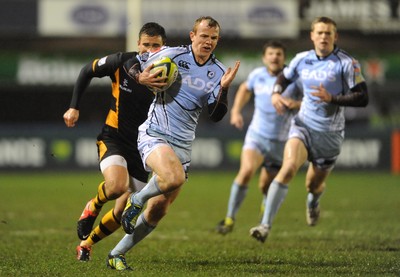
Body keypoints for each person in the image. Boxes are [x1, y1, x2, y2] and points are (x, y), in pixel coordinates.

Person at [106, 16, 240, 270]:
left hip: (183, 143)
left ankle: (116, 254)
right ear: (192, 36)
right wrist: (140, 78)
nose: (208, 41)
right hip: (155, 132)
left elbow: (215, 115)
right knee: (174, 177)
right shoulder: (172, 55)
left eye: (213, 38)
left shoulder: (220, 72)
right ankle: (137, 200)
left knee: (160, 208)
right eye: (203, 36)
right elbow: (132, 62)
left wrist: (223, 89)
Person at [249, 16, 369, 243]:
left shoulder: (346, 63)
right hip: (303, 126)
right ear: (312, 35)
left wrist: (332, 98)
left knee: (313, 185)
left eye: (328, 33)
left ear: (335, 36)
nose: (324, 37)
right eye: (320, 32)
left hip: (329, 135)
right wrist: (276, 92)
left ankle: (313, 201)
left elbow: (363, 97)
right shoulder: (302, 59)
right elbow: (283, 78)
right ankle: (265, 225)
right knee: (288, 168)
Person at [63, 22, 168, 266]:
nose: (150, 50)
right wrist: (73, 107)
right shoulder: (121, 61)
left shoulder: (171, 73)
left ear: (164, 47)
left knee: (122, 212)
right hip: (114, 138)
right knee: (117, 186)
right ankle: (94, 205)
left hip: (145, 148)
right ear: (138, 44)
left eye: (156, 46)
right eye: (146, 45)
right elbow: (86, 71)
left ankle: (86, 244)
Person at [215, 41, 302, 235]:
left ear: (283, 57)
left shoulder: (293, 79)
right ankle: (229, 219)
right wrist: (236, 111)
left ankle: (266, 205)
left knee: (266, 185)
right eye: (270, 54)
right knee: (246, 171)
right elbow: (245, 89)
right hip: (257, 136)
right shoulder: (257, 75)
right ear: (264, 58)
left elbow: (310, 103)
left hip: (282, 141)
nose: (274, 57)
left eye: (278, 53)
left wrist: (294, 104)